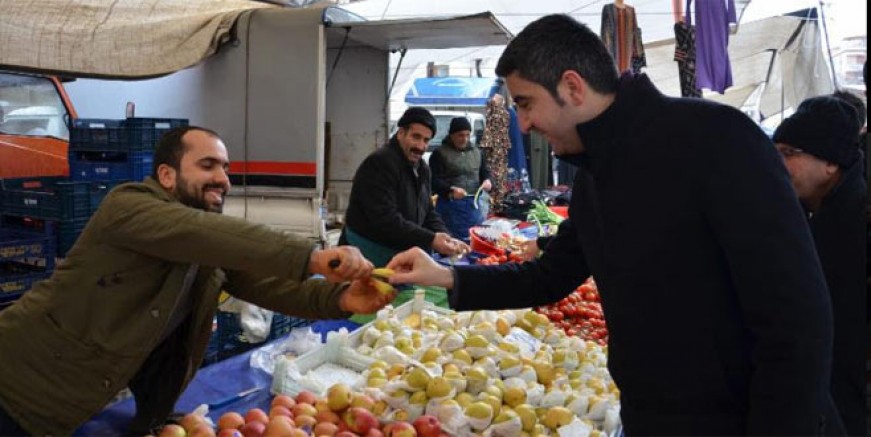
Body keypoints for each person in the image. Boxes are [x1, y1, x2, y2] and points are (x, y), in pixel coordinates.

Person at [386, 14, 838, 435]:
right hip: (647, 414)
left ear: (572, 87)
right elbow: (549, 276)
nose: (522, 125)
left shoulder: (717, 140)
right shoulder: (593, 179)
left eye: (526, 104)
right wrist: (446, 276)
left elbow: (796, 319)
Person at [0, 126, 394, 436]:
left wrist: (341, 299)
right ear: (166, 175)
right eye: (208, 166)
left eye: (226, 169)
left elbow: (265, 283)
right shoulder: (128, 206)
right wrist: (311, 257)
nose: (223, 179)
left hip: (85, 399)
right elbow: (198, 232)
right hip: (19, 386)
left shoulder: (205, 243)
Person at [772, 96, 868, 436]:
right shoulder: (805, 216)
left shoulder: (856, 225)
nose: (777, 164)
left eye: (789, 153)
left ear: (830, 162)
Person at [339, 106, 468, 268]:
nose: (420, 146)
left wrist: (447, 238)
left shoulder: (422, 169)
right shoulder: (380, 163)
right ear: (401, 133)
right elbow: (386, 219)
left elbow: (428, 212)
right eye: (416, 137)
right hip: (364, 256)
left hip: (398, 254)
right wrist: (431, 239)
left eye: (426, 140)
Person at [430, 116, 492, 241]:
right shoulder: (439, 153)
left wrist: (488, 180)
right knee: (452, 243)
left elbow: (484, 172)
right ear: (452, 135)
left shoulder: (477, 152)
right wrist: (450, 189)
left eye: (467, 135)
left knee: (475, 240)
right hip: (450, 207)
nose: (465, 139)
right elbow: (433, 181)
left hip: (474, 206)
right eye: (460, 135)